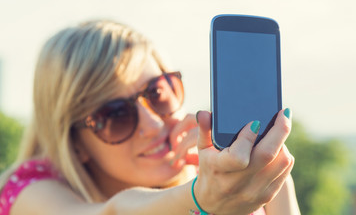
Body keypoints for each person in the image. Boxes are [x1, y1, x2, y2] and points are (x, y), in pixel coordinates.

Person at [0, 20, 300, 215]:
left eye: (157, 93)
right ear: (74, 141)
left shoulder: (217, 188)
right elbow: (112, 212)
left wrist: (273, 183)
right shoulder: (30, 191)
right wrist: (201, 198)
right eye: (116, 115)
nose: (153, 124)